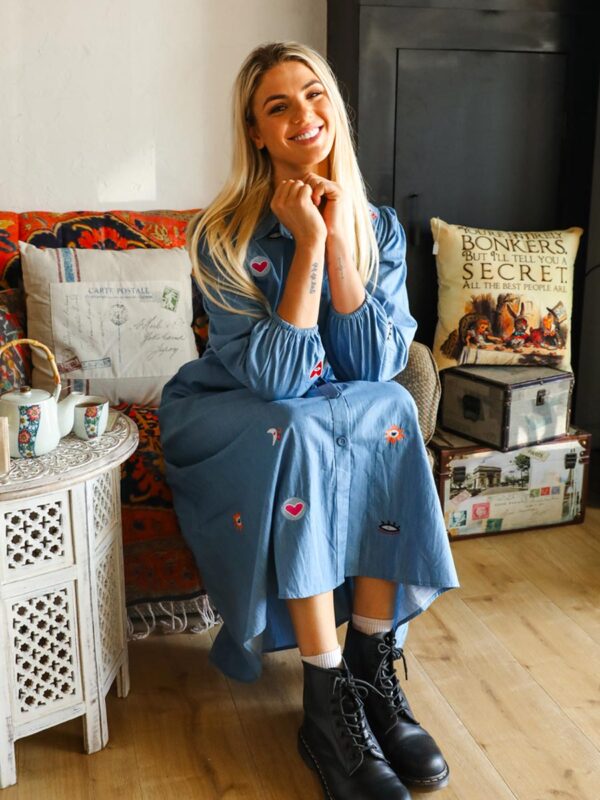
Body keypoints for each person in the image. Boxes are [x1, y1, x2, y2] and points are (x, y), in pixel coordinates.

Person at [159, 41, 459, 800]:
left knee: (389, 403)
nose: (303, 115)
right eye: (278, 105)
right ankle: (326, 698)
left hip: (329, 402)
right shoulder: (218, 234)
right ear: (254, 131)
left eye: (315, 95)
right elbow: (279, 378)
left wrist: (343, 241)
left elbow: (371, 367)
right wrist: (308, 248)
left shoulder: (381, 228)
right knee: (294, 422)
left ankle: (369, 661)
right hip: (229, 412)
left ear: (336, 109)